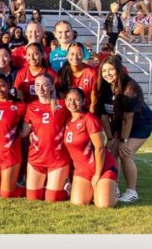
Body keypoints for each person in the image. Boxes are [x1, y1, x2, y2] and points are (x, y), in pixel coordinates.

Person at [93, 55, 151, 204]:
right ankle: (114, 186)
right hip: (120, 123)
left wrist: (123, 141)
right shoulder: (103, 86)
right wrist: (111, 138)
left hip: (140, 124)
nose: (107, 74)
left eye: (111, 70)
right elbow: (104, 116)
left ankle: (132, 191)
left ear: (119, 70)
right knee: (111, 150)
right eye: (104, 71)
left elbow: (128, 117)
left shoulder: (129, 87)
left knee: (125, 153)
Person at [63, 88, 118, 208]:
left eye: (77, 99)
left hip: (103, 168)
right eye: (69, 99)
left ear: (83, 101)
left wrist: (97, 175)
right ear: (65, 101)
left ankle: (112, 190)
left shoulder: (89, 119)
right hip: (82, 170)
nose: (72, 102)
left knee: (103, 205)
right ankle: (97, 191)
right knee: (79, 203)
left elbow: (100, 148)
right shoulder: (68, 121)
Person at [21, 74, 70, 202]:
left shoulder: (63, 106)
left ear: (52, 87)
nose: (40, 88)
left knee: (51, 198)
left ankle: (68, 189)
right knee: (33, 198)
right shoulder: (31, 107)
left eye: (44, 85)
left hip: (58, 158)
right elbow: (24, 133)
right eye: (37, 85)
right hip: (36, 157)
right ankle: (46, 185)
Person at [0, 74, 26, 198]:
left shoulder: (20, 106)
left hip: (10, 153)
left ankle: (25, 187)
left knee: (6, 195)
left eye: (2, 86)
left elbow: (27, 126)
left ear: (9, 85)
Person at [56, 43, 98, 108]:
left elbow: (94, 102)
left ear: (83, 55)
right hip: (69, 111)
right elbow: (63, 99)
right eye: (72, 54)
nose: (75, 57)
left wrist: (88, 117)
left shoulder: (92, 73)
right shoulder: (62, 73)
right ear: (67, 55)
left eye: (79, 54)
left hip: (86, 111)